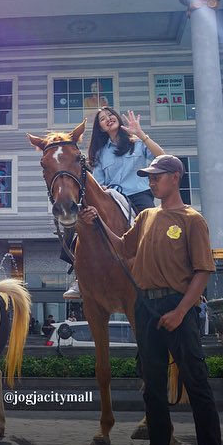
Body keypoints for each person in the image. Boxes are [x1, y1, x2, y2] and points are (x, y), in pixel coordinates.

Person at [81, 154, 222, 445]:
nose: (151, 181)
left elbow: (203, 271)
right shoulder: (146, 217)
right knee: (153, 387)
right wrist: (98, 223)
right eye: (149, 177)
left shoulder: (192, 220)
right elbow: (121, 246)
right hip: (146, 307)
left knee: (197, 384)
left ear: (175, 177)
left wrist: (181, 311)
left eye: (157, 176)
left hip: (178, 307)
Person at [63, 107, 166, 300]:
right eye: (102, 119)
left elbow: (162, 158)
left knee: (155, 225)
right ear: (100, 128)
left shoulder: (137, 143)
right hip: (112, 196)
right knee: (81, 223)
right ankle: (79, 276)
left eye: (110, 115)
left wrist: (142, 134)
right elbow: (99, 183)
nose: (108, 119)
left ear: (118, 119)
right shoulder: (101, 153)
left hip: (138, 195)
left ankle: (161, 270)